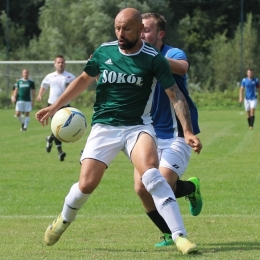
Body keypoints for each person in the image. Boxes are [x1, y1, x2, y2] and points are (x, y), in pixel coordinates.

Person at [35, 8, 202, 254]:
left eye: (127, 29)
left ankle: (180, 236)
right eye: (117, 28)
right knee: (87, 184)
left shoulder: (153, 58)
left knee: (152, 175)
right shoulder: (105, 52)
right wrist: (55, 105)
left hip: (138, 126)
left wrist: (187, 130)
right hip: (104, 127)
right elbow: (83, 80)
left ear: (137, 29)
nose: (120, 33)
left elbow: (174, 94)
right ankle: (62, 220)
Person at [134, 13, 202, 248]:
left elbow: (182, 68)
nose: (141, 34)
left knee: (162, 182)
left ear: (160, 34)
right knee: (142, 188)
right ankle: (166, 233)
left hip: (177, 134)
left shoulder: (172, 54)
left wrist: (150, 57)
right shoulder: (135, 57)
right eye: (139, 30)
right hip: (147, 135)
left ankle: (191, 187)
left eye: (146, 30)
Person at [36, 55, 76, 161]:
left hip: (66, 106)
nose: (60, 64)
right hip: (52, 106)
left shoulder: (70, 76)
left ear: (65, 64)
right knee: (58, 127)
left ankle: (50, 139)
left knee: (64, 128)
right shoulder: (50, 76)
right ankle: (60, 152)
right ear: (55, 64)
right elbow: (44, 86)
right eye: (58, 62)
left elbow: (75, 87)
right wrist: (40, 95)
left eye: (62, 62)